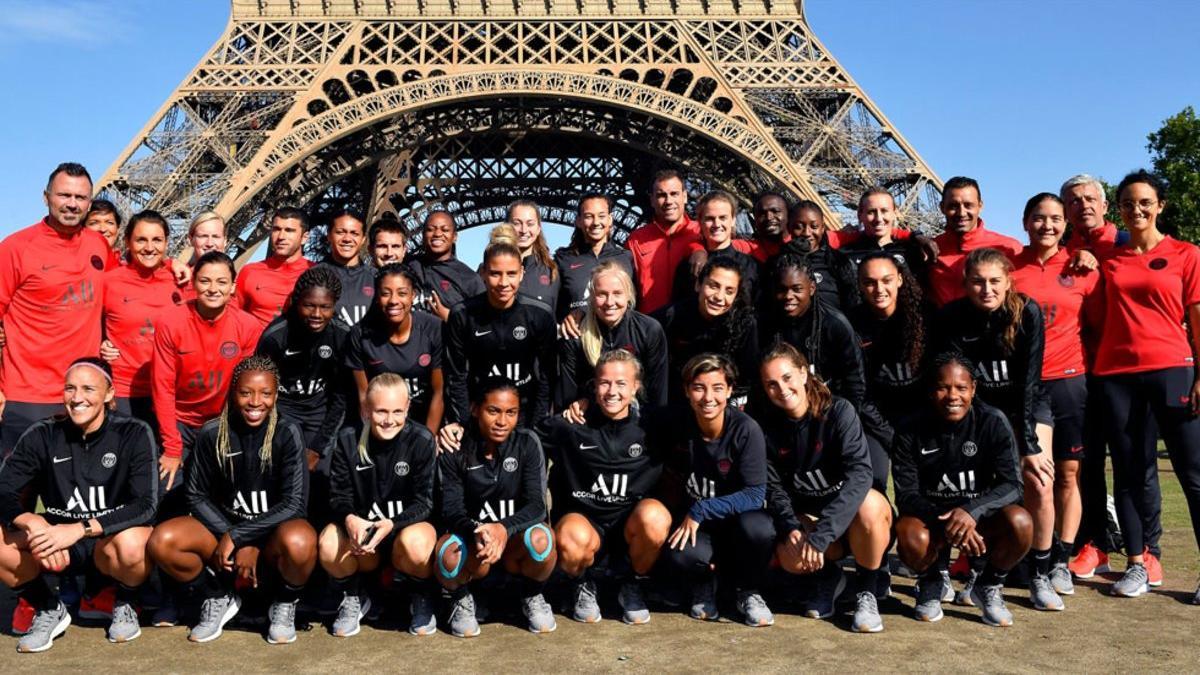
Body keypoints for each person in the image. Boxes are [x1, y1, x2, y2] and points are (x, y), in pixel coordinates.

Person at [147, 356, 315, 644]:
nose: (255, 401)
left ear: (276, 396)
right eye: (246, 392)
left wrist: (242, 537)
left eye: (265, 393)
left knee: (301, 540)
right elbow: (195, 495)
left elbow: (295, 504)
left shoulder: (288, 433)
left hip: (268, 536)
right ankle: (216, 596)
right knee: (162, 540)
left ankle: (284, 603)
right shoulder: (212, 432)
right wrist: (230, 535)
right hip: (221, 533)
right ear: (233, 392)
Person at [0, 358, 157, 651]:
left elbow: (145, 505)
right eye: (70, 388)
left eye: (88, 388)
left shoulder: (134, 433)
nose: (77, 397)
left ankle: (122, 599)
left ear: (109, 394)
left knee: (139, 541)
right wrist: (33, 523)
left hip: (105, 541)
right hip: (54, 539)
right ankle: (46, 606)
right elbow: (4, 489)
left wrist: (80, 529)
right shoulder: (42, 434)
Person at [1093, 170, 1200, 601]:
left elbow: (1196, 318)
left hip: (1173, 369)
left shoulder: (1186, 254)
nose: (1135, 209)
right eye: (1126, 203)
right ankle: (1137, 564)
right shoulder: (1109, 259)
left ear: (1160, 205)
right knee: (1131, 472)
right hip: (1116, 376)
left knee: (1194, 476)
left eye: (1144, 202)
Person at [935, 247, 1054, 609]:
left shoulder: (1027, 312)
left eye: (994, 282)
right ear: (965, 284)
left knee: (1038, 480)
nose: (986, 289)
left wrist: (1028, 443)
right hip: (979, 413)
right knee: (980, 487)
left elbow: (1029, 383)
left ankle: (1041, 573)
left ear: (1007, 282)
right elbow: (959, 380)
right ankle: (979, 570)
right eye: (977, 281)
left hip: (1026, 407)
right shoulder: (952, 317)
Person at [893, 353, 1033, 627]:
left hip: (978, 519)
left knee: (1021, 522)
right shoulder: (910, 427)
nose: (952, 396)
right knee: (908, 533)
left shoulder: (993, 421)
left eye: (961, 388)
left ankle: (988, 585)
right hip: (933, 519)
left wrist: (972, 512)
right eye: (943, 387)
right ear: (931, 390)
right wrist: (949, 523)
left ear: (974, 389)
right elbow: (906, 494)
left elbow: (1013, 484)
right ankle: (932, 581)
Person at [759, 344, 892, 633]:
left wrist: (822, 534)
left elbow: (860, 475)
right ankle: (830, 578)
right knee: (789, 554)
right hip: (815, 523)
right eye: (771, 384)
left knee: (871, 505)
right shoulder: (768, 428)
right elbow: (775, 489)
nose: (781, 388)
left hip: (850, 520)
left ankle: (866, 590)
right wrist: (792, 526)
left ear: (804, 374)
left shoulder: (839, 412)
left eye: (787, 377)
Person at [1010, 193, 1102, 598]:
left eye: (1055, 219)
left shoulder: (1083, 269)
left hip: (1069, 381)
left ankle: (1062, 556)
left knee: (1068, 474)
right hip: (1025, 384)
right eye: (1039, 218)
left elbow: (1097, 327)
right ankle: (1030, 554)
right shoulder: (1010, 268)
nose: (1047, 225)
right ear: (1025, 222)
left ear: (1066, 224)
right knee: (1032, 477)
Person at [537, 350, 670, 625]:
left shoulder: (654, 427)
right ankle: (582, 584)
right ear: (594, 386)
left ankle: (632, 583)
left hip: (630, 525)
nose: (612, 391)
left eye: (621, 383)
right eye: (605, 383)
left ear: (636, 387)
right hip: (586, 523)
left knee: (656, 518)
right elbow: (520, 439)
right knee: (571, 539)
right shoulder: (571, 425)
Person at [0, 163, 112, 456]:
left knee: (74, 498)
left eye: (81, 197)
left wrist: (174, 266)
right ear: (46, 196)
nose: (72, 204)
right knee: (15, 496)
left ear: (90, 202)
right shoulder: (15, 248)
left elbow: (127, 286)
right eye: (64, 195)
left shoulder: (99, 245)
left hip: (83, 394)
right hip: (26, 395)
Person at [433, 378, 557, 637]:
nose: (502, 421)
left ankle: (532, 593)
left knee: (542, 539)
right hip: (474, 544)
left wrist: (503, 528)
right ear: (475, 409)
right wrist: (476, 531)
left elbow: (537, 505)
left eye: (511, 413)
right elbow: (451, 510)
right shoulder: (455, 445)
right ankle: (462, 597)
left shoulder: (527, 442)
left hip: (511, 546)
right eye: (494, 411)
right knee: (448, 554)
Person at [660, 354, 774, 627]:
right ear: (687, 391)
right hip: (700, 529)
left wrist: (702, 508)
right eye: (699, 387)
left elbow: (756, 494)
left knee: (761, 530)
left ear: (731, 391)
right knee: (680, 552)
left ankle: (748, 590)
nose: (708, 397)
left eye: (718, 388)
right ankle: (704, 583)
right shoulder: (675, 425)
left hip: (738, 524)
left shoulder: (746, 429)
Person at [321, 374, 438, 637]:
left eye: (397, 411)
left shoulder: (421, 440)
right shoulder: (348, 439)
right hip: (364, 543)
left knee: (418, 545)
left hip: (401, 537)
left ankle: (419, 594)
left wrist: (393, 525)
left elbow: (425, 502)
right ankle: (354, 595)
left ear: (408, 408)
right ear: (365, 410)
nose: (389, 420)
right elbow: (338, 497)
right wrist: (351, 519)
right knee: (328, 543)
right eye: (381, 411)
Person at [1058, 174, 1133, 580]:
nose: (1082, 205)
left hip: (1126, 368)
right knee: (1084, 463)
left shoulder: (1128, 244)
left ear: (1104, 205)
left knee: (1131, 463)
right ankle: (1095, 544)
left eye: (1089, 198)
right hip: (1080, 371)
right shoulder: (1061, 251)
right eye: (1073, 200)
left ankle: (1144, 551)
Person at [759, 253, 886, 489]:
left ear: (812, 287)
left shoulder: (834, 324)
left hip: (831, 418)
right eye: (782, 289)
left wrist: (841, 426)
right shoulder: (765, 325)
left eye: (797, 289)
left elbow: (855, 382)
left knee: (871, 482)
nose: (789, 296)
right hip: (785, 423)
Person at [152, 252, 261, 500]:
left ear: (233, 286)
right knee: (165, 498)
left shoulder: (248, 326)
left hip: (222, 422)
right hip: (179, 422)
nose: (213, 289)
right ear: (193, 283)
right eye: (205, 281)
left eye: (221, 282)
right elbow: (163, 386)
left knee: (224, 500)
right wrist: (171, 446)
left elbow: (243, 388)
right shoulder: (170, 322)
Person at [256, 266, 351, 526]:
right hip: (282, 415)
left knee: (322, 480)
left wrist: (319, 447)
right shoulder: (275, 337)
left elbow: (341, 395)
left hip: (320, 418)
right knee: (281, 476)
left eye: (325, 307)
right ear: (297, 302)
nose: (317, 314)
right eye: (309, 306)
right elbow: (260, 393)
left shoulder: (341, 336)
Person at [442, 232, 556, 431]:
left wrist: (537, 425)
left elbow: (547, 377)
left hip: (524, 414)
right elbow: (455, 376)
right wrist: (464, 422)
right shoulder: (462, 315)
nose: (504, 283)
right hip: (479, 414)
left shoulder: (540, 315)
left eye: (511, 274)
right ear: (483, 273)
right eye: (495, 274)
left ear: (521, 273)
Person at [98, 210, 183, 430]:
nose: (149, 247)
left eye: (157, 240)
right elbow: (85, 323)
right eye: (141, 240)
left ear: (166, 242)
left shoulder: (182, 281)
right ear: (127, 241)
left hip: (172, 391)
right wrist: (101, 343)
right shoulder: (108, 282)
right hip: (124, 391)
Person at [346, 264, 444, 433]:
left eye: (402, 293)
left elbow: (439, 392)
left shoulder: (433, 328)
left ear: (413, 295)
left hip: (422, 423)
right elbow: (364, 397)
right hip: (381, 425)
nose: (393, 300)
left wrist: (428, 441)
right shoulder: (359, 335)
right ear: (377, 296)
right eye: (385, 293)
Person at [557, 262, 668, 411]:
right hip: (591, 418)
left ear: (628, 295)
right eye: (602, 294)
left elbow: (658, 394)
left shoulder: (649, 330)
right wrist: (582, 403)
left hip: (638, 420)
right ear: (591, 297)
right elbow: (567, 398)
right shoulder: (575, 334)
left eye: (617, 293)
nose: (610, 302)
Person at [849, 253, 930, 450]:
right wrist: (888, 433)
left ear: (900, 280)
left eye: (887, 280)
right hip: (877, 418)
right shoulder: (852, 324)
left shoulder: (925, 317)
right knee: (874, 478)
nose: (879, 290)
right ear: (859, 285)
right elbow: (859, 391)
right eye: (870, 282)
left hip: (923, 416)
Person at [656, 258, 759, 408]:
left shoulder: (745, 324)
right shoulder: (671, 317)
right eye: (713, 286)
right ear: (698, 285)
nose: (719, 297)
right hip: (678, 400)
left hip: (722, 404)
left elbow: (747, 378)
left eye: (729, 291)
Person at [926, 177, 1023, 307]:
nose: (961, 213)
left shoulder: (1009, 248)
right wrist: (912, 235)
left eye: (968, 205)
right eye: (953, 206)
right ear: (942, 207)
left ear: (980, 206)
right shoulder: (929, 249)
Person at [554, 193, 636, 327]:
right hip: (578, 337)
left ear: (610, 219)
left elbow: (636, 303)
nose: (596, 222)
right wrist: (564, 317)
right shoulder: (564, 259)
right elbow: (552, 302)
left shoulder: (626, 258)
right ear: (578, 221)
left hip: (619, 339)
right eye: (588, 216)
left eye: (601, 216)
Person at [626, 169, 701, 314]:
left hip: (692, 329)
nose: (668, 201)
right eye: (661, 195)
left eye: (674, 194)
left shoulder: (702, 232)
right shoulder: (636, 239)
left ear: (685, 196)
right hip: (650, 328)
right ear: (652, 200)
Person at [672, 190, 760, 304]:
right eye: (710, 219)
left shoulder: (752, 267)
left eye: (722, 218)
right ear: (700, 222)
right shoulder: (689, 266)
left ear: (733, 220)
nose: (717, 224)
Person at [235, 206, 315, 328]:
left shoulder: (317, 273)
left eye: (289, 230)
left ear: (304, 238)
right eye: (276, 229)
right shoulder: (250, 272)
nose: (281, 236)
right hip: (257, 346)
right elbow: (235, 318)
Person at [779, 200, 859, 310]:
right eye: (799, 226)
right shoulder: (778, 263)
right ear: (789, 228)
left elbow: (853, 303)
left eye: (814, 226)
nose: (807, 233)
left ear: (822, 228)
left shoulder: (839, 262)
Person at [406, 210, 485, 322]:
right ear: (423, 235)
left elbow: (484, 326)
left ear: (455, 237)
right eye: (430, 229)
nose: (437, 234)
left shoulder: (469, 279)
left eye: (445, 230)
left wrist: (451, 319)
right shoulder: (407, 266)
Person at [841, 188, 927, 278]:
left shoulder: (914, 253)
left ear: (895, 213)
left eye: (884, 211)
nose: (878, 218)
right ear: (860, 215)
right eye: (871, 212)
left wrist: (917, 236)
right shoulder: (843, 256)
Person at [317, 208, 374, 327]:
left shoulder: (376, 278)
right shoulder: (313, 277)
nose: (347, 239)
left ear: (363, 239)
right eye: (340, 232)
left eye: (354, 233)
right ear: (329, 235)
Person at [507, 200, 560, 308]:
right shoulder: (490, 269)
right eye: (517, 223)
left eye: (530, 224)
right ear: (507, 226)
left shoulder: (552, 271)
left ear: (538, 228)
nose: (524, 230)